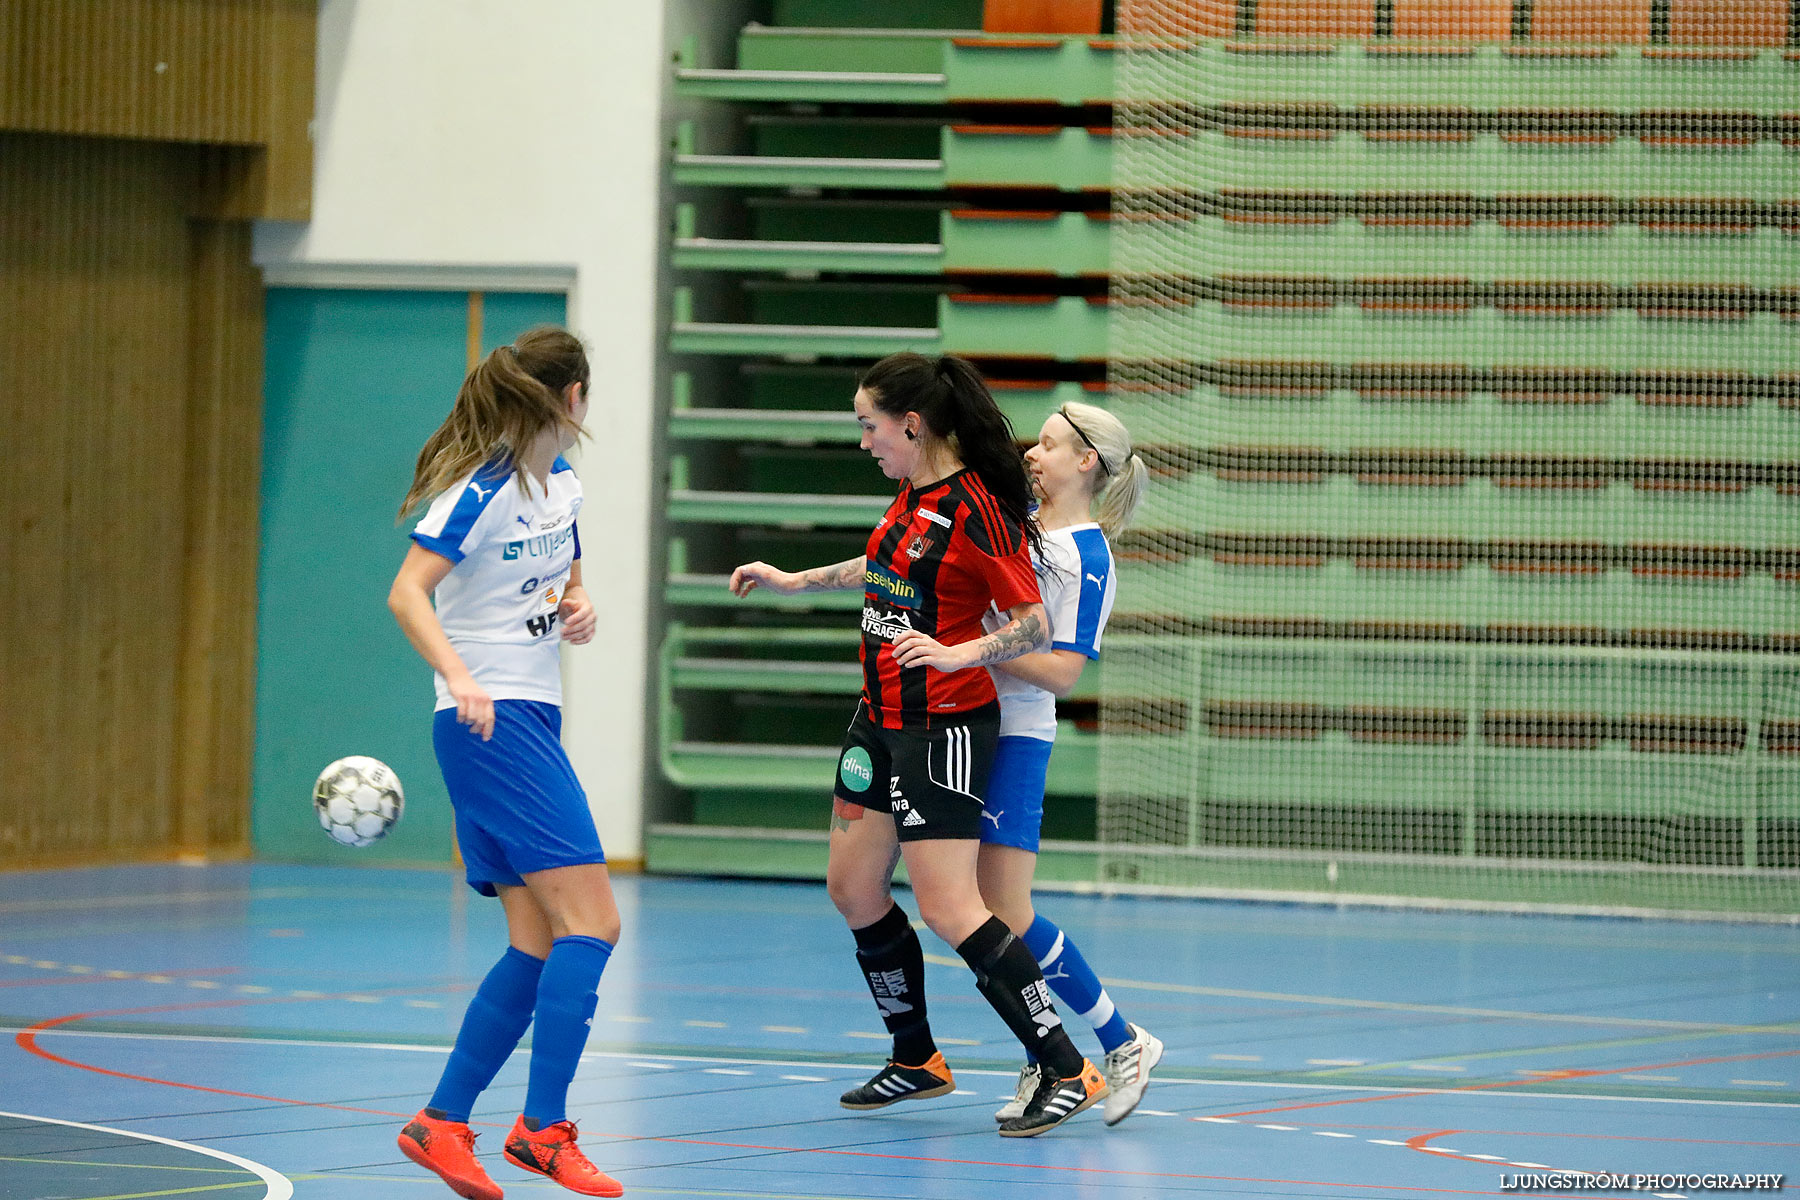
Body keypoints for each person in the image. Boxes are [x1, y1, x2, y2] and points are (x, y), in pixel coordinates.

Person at [730, 352, 1107, 1138]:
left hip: (945, 724)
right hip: (880, 715)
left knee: (949, 905)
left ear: (912, 424)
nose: (864, 441)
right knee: (852, 888)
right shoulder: (912, 493)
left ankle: (1066, 1064)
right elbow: (888, 562)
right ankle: (917, 1057)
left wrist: (962, 652)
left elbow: (1034, 620)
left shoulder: (980, 507)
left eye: (870, 426)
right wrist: (799, 580)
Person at [388, 327, 623, 1200]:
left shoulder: (558, 482)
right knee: (594, 926)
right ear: (574, 398)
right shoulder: (478, 490)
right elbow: (407, 590)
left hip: (528, 717)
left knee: (534, 944)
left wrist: (579, 598)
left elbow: (562, 566)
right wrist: (457, 673)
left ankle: (441, 1123)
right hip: (491, 724)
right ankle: (541, 1131)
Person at [977, 402, 1163, 1126]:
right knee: (980, 915)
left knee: (1005, 911)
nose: (1034, 452)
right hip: (971, 723)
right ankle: (1046, 1052)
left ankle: (1119, 1043)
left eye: (1050, 445)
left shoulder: (1087, 554)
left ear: (1086, 461)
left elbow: (1061, 673)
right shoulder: (1021, 522)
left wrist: (979, 645)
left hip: (1018, 735)